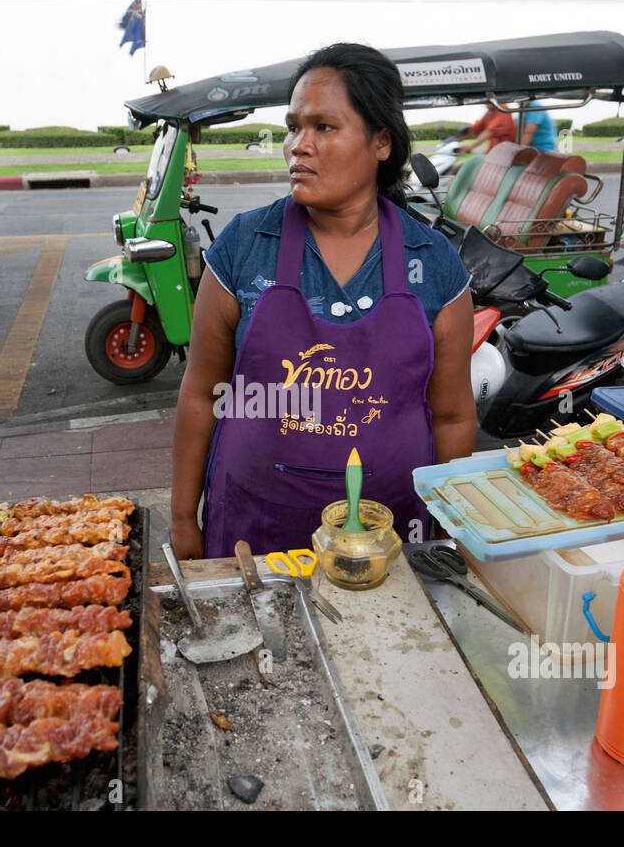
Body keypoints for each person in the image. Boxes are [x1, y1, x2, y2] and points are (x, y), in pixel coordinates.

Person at [169, 43, 476, 560]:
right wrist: (181, 517)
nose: (298, 146)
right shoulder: (244, 247)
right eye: (293, 127)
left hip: (388, 539)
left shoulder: (435, 262)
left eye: (324, 128)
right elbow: (202, 393)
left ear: (381, 141)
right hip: (254, 529)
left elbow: (450, 416)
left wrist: (448, 530)